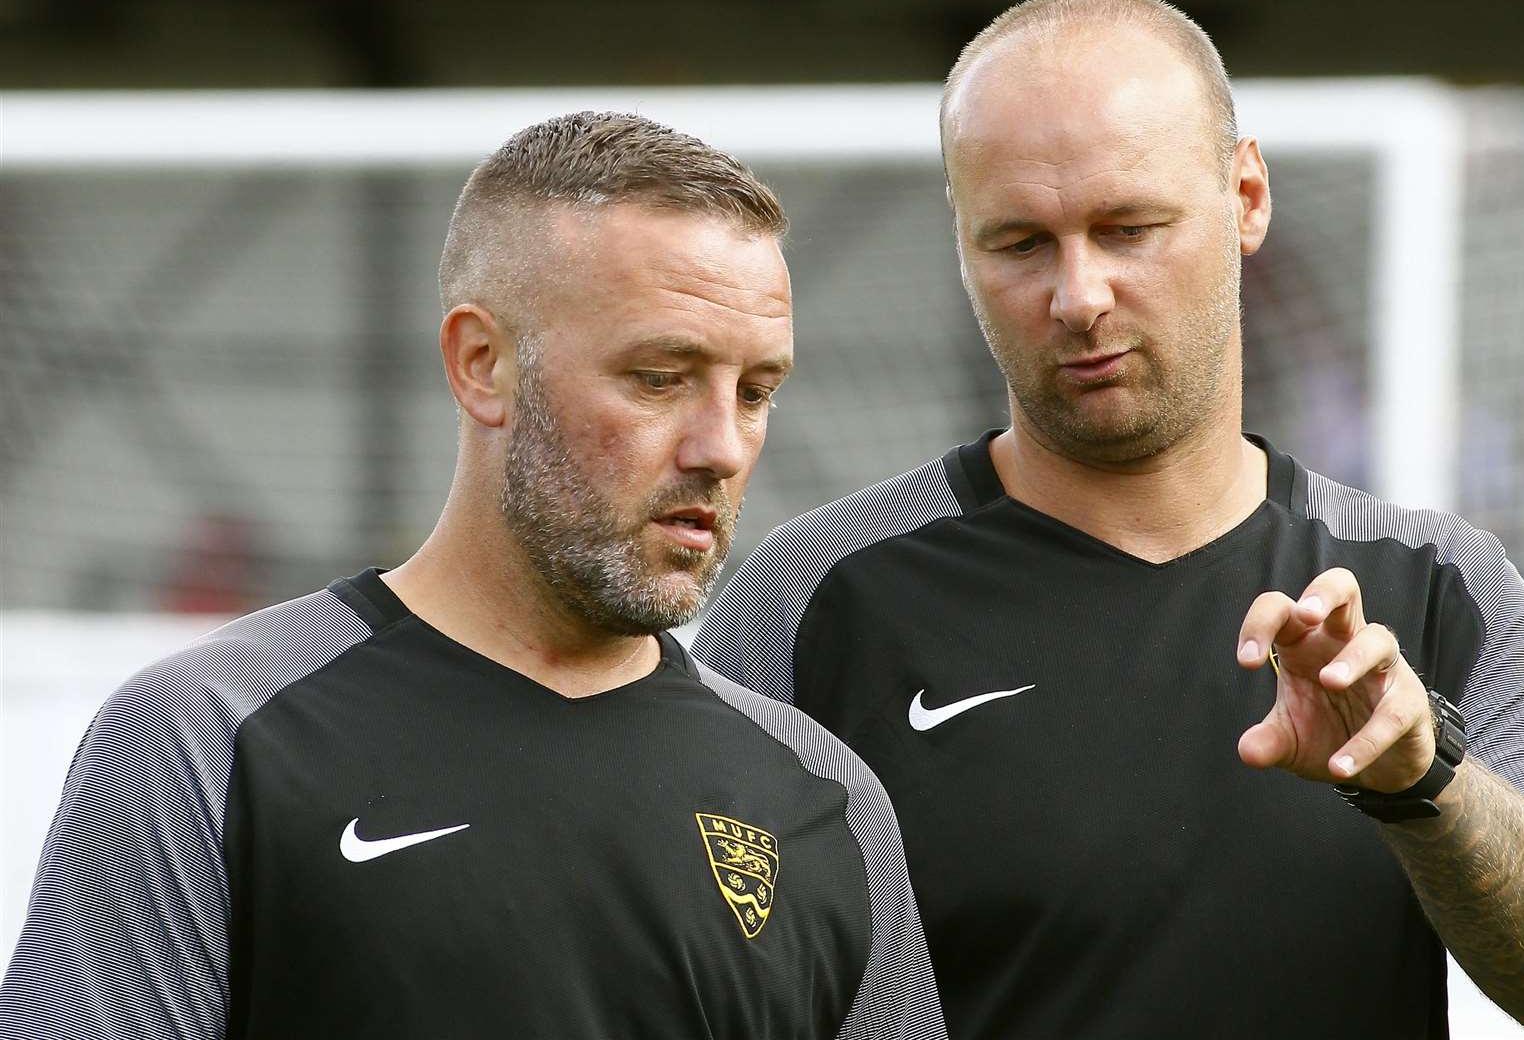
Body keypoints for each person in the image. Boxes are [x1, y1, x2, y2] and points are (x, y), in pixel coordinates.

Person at [692, 0, 1524, 1040]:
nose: (1077, 295)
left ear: (1244, 196)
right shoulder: (811, 595)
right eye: (1018, 243)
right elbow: (676, 978)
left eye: (1126, 227)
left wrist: (1419, 779)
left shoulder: (1427, 583)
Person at [0, 112, 946, 1040]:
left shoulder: (825, 799)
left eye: (756, 391)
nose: (723, 446)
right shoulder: (208, 737)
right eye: (660, 376)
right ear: (482, 364)